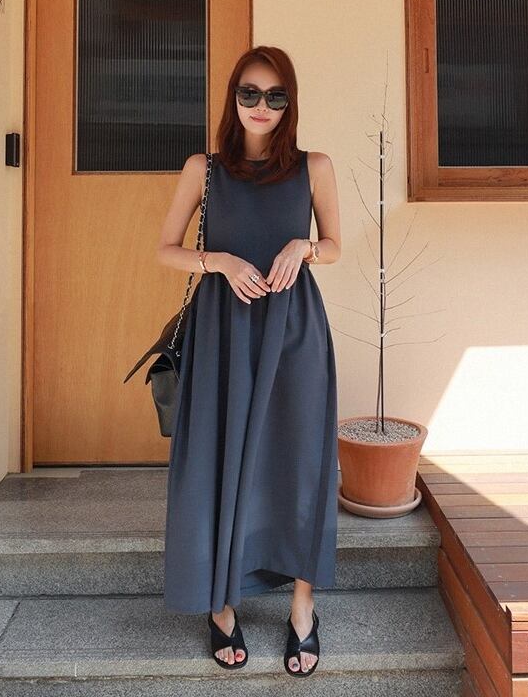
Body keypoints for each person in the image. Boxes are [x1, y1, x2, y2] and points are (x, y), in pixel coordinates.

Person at [155, 45, 341, 677]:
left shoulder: (314, 167)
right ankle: (222, 603)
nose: (262, 106)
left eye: (276, 96)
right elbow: (166, 249)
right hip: (223, 332)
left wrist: (302, 247)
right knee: (221, 455)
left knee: (300, 458)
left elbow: (335, 246)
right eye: (250, 93)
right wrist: (220, 261)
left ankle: (302, 607)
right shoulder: (204, 169)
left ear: (290, 103)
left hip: (294, 330)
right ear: (233, 98)